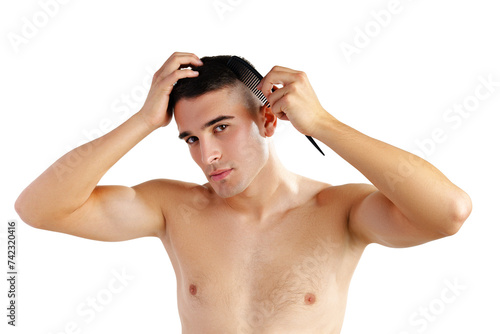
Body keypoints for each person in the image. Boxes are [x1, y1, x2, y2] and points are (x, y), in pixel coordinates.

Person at [15, 52, 472, 333]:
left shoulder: (340, 211)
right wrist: (142, 121)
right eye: (191, 138)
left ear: (268, 121)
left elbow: (448, 212)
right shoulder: (172, 208)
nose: (207, 154)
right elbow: (36, 209)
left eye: (221, 128)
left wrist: (324, 125)